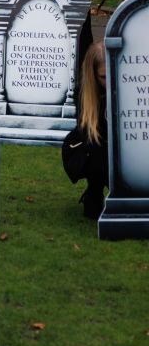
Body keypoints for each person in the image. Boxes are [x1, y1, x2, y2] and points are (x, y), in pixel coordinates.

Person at [63, 41, 108, 219]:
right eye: (104, 77)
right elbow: (90, 132)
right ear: (93, 75)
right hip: (91, 146)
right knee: (96, 146)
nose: (110, 81)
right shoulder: (84, 94)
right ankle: (94, 193)